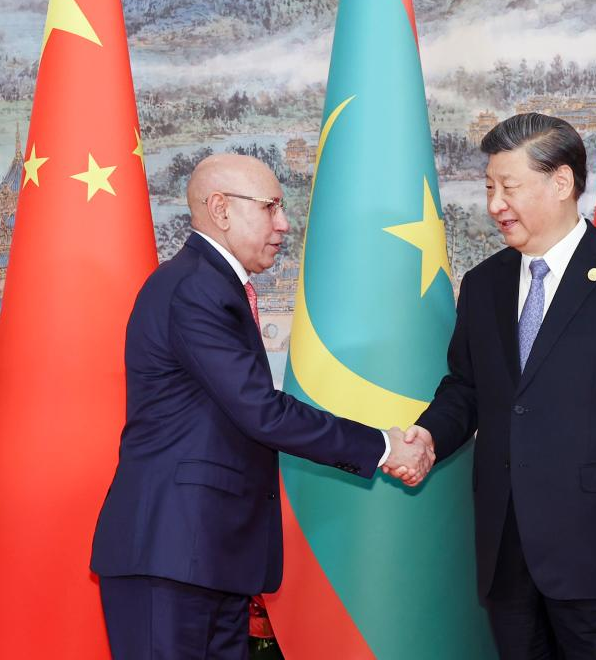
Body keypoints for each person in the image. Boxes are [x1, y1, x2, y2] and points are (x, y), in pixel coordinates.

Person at [91, 153, 431, 659]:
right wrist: (382, 445)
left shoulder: (213, 285)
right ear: (221, 209)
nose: (284, 223)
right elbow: (262, 412)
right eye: (271, 207)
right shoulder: (194, 289)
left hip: (208, 555)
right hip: (171, 552)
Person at [395, 114, 596, 660]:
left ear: (561, 183)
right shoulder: (484, 285)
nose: (494, 205)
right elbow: (466, 388)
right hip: (508, 552)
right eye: (489, 188)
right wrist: (428, 436)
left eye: (508, 188)